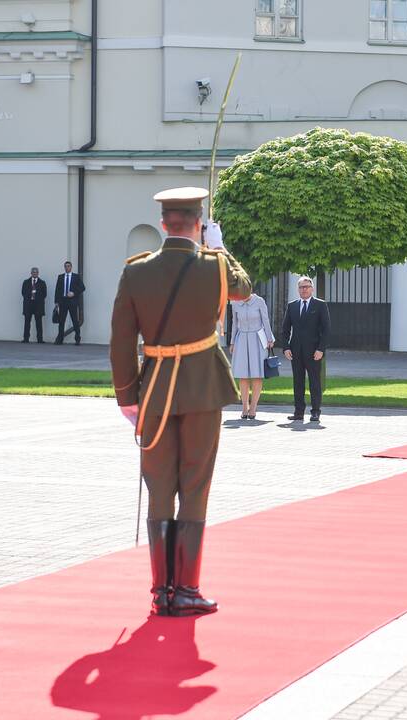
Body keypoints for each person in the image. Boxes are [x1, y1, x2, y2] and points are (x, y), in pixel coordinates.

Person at [109, 186, 251, 617]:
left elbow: (120, 342)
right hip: (202, 389)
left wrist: (126, 397)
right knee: (194, 487)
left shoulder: (135, 271)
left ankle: (160, 592)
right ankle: (185, 589)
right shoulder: (214, 266)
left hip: (152, 392)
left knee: (159, 489)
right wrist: (220, 245)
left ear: (162, 225)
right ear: (198, 224)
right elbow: (242, 290)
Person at [280, 276, 330, 423]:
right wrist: (286, 347)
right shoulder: (292, 305)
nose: (304, 289)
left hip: (314, 352)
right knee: (298, 382)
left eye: (307, 286)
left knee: (315, 383)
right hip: (295, 352)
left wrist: (321, 349)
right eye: (301, 287)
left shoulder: (320, 305)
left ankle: (315, 412)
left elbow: (326, 330)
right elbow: (285, 329)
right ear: (298, 289)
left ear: (312, 288)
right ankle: (298, 412)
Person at [228, 292, 274, 420]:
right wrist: (232, 342)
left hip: (258, 339)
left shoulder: (259, 301)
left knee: (257, 374)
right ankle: (244, 407)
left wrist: (269, 339)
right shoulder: (236, 303)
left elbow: (266, 320)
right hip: (241, 339)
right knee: (243, 375)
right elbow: (234, 324)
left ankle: (253, 407)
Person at [54, 260, 86, 344]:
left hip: (72, 301)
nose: (67, 267)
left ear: (71, 267)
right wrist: (56, 302)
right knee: (61, 321)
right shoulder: (60, 277)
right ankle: (60, 339)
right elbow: (57, 289)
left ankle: (77, 339)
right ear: (64, 267)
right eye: (65, 266)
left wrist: (74, 293)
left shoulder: (76, 276)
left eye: (68, 266)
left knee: (75, 320)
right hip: (63, 301)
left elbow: (82, 287)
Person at [20, 267, 47, 343]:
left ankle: (40, 339)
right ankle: (26, 339)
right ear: (31, 273)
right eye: (33, 272)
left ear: (38, 273)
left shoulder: (42, 283)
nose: (35, 273)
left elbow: (44, 294)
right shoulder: (26, 282)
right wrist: (30, 296)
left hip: (38, 305)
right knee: (27, 322)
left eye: (36, 272)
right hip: (28, 304)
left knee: (39, 322)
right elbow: (23, 292)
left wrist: (37, 298)